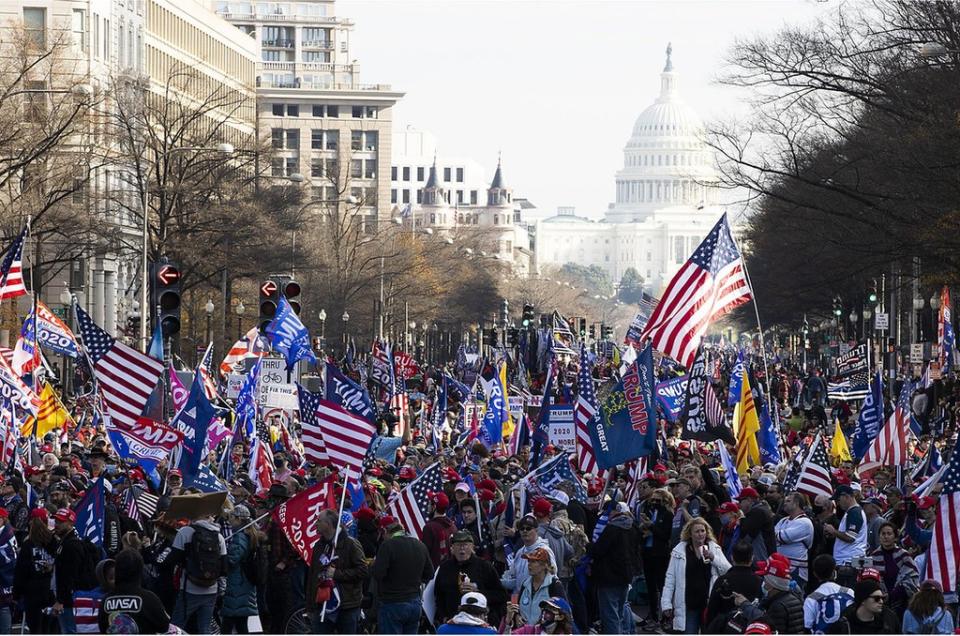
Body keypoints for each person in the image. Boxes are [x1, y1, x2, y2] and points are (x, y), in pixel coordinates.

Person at [661, 517, 732, 634]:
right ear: (690, 534)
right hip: (689, 604)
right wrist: (666, 604)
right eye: (697, 531)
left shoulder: (714, 548)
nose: (700, 534)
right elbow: (670, 579)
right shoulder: (679, 551)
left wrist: (713, 558)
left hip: (709, 604)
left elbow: (728, 571)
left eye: (702, 531)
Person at [307, 509, 368, 634]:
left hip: (346, 606)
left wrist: (337, 574)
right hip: (322, 604)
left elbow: (362, 571)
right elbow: (312, 575)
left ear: (328, 525)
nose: (315, 524)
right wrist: (310, 605)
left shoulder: (351, 544)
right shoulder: (319, 545)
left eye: (319, 521)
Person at [371, 519, 434, 634]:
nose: (382, 538)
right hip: (414, 603)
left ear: (386, 531)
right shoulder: (420, 545)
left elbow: (378, 574)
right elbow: (430, 574)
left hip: (392, 604)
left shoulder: (387, 546)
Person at [169, 513, 228, 634]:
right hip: (211, 588)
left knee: (176, 626)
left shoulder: (184, 532)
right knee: (205, 628)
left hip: (189, 588)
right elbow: (224, 569)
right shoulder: (219, 536)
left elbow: (171, 560)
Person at [434, 531, 507, 628]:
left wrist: (478, 591)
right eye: (458, 545)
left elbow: (502, 595)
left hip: (479, 624)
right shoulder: (445, 568)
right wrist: (443, 616)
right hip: (452, 623)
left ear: (472, 547)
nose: (462, 548)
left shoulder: (484, 566)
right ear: (452, 548)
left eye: (465, 545)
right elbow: (438, 595)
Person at [587, 501, 637, 635]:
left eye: (606, 512)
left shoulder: (612, 529)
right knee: (620, 612)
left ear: (614, 511)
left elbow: (598, 550)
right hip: (625, 575)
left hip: (609, 577)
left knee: (610, 616)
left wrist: (588, 546)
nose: (605, 515)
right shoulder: (631, 528)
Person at [98, 549, 170, 634]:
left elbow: (103, 628)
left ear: (117, 570)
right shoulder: (150, 598)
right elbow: (164, 627)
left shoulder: (106, 600)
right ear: (140, 571)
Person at [732, 553, 805, 634]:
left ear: (772, 584)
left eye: (765, 580)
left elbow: (767, 625)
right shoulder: (793, 597)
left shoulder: (778, 606)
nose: (763, 582)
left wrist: (745, 604)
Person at [13, 508, 56, 634]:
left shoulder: (28, 545)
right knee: (50, 628)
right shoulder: (54, 542)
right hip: (51, 591)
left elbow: (21, 571)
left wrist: (16, 594)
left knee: (35, 628)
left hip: (33, 593)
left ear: (31, 522)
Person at [705, 540, 763, 628]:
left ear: (732, 558)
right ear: (752, 558)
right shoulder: (760, 582)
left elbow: (712, 610)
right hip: (750, 629)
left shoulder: (722, 580)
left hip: (725, 628)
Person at [221, 505, 259, 634]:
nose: (229, 520)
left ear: (238, 519)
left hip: (238, 583)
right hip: (243, 583)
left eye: (231, 517)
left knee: (230, 622)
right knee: (240, 623)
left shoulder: (240, 537)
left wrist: (221, 557)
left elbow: (232, 559)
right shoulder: (248, 534)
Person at [868, 521, 919, 616]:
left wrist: (894, 594)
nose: (886, 537)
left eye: (889, 534)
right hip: (880, 602)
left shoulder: (904, 555)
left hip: (902, 601)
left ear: (895, 537)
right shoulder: (873, 556)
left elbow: (912, 578)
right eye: (883, 534)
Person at [500, 515, 557, 593]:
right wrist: (501, 582)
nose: (525, 531)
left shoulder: (544, 551)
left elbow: (553, 576)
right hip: (522, 598)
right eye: (522, 529)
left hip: (540, 597)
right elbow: (515, 579)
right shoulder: (520, 552)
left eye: (528, 528)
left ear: (536, 530)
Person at [52, 507, 86, 634]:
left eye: (61, 522)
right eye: (56, 521)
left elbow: (70, 575)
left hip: (70, 601)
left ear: (70, 523)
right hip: (66, 599)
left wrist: (62, 600)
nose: (57, 525)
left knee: (69, 631)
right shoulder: (63, 542)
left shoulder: (72, 545)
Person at [826, 485, 867, 588]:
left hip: (849, 563)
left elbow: (850, 538)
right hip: (850, 561)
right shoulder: (851, 512)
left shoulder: (854, 512)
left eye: (838, 500)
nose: (838, 503)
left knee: (846, 596)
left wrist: (833, 531)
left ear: (846, 496)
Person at [516, 547, 566, 627]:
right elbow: (518, 608)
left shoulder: (554, 585)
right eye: (529, 561)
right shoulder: (525, 584)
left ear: (544, 565)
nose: (529, 564)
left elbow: (564, 613)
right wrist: (517, 616)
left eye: (533, 561)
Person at [804, 554, 854, 634]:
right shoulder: (849, 592)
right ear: (834, 571)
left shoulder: (811, 599)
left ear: (815, 574)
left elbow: (807, 627)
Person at [827, 578, 899, 634]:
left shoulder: (888, 622)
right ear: (863, 600)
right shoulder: (842, 626)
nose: (881, 601)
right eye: (876, 598)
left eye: (882, 598)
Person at [774, 492, 814, 585]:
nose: (784, 503)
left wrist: (778, 534)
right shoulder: (783, 520)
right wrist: (777, 535)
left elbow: (783, 538)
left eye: (788, 501)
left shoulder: (804, 522)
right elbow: (773, 536)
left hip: (795, 570)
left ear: (796, 503)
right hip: (780, 567)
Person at [738, 487, 776, 562]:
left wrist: (741, 520)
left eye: (741, 501)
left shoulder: (758, 512)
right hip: (762, 556)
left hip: (761, 558)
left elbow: (744, 532)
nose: (739, 504)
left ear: (749, 500)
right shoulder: (761, 509)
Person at [505, 596, 575, 635]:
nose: (545, 611)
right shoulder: (529, 631)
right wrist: (508, 622)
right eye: (545, 608)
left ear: (561, 617)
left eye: (551, 609)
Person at [423, 491, 458, 569]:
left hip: (435, 574)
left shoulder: (429, 527)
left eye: (429, 503)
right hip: (451, 571)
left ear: (434, 507)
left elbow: (425, 554)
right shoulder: (453, 526)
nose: (428, 506)